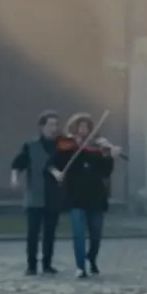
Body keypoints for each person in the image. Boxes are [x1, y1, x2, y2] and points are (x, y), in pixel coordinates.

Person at [51, 112, 120, 279]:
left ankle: (92, 258)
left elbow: (106, 172)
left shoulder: (97, 148)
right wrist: (56, 173)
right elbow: (52, 163)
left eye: (86, 127)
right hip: (75, 196)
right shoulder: (65, 144)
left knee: (96, 234)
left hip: (96, 196)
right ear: (73, 128)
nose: (83, 131)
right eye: (80, 127)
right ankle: (80, 266)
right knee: (78, 233)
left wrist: (110, 156)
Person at [10, 110, 63, 276]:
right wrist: (14, 179)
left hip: (53, 196)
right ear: (42, 127)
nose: (54, 128)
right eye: (50, 124)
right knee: (33, 233)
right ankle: (31, 265)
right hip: (35, 196)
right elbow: (17, 164)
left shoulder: (61, 146)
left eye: (56, 124)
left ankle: (47, 264)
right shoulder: (31, 146)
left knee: (50, 233)